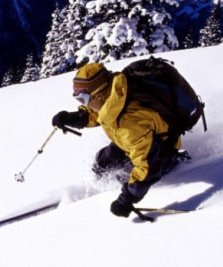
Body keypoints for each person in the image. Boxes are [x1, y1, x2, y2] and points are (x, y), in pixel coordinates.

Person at [52, 62, 187, 218]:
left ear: (99, 94)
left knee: (127, 176)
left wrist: (126, 199)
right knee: (102, 162)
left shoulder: (130, 123)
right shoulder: (112, 95)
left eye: (83, 99)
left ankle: (175, 161)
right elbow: (97, 114)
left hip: (159, 149)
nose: (83, 104)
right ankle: (99, 185)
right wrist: (72, 118)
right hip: (129, 143)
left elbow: (148, 167)